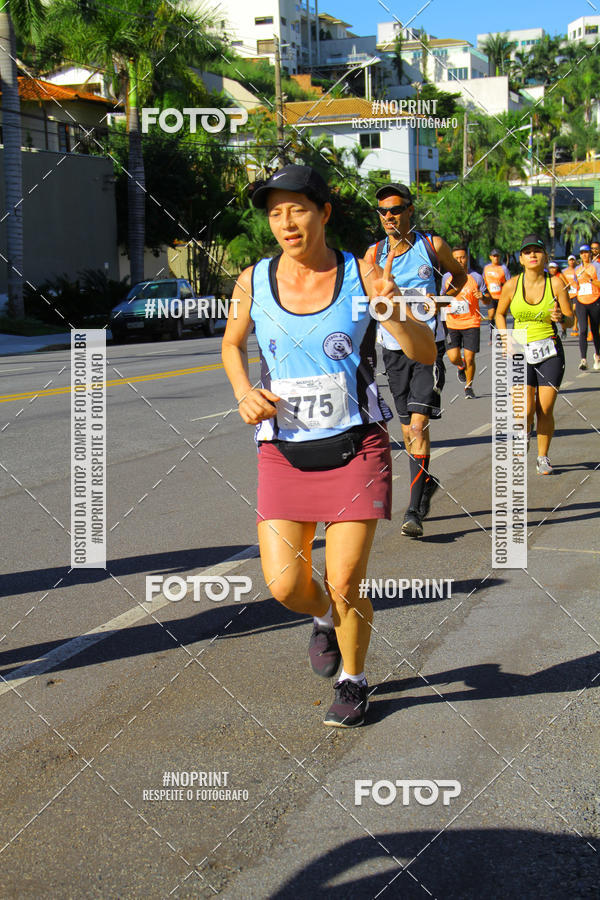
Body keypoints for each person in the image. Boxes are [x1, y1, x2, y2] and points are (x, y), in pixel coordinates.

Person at [222, 165, 435, 728]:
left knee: (344, 580)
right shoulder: (252, 280)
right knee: (287, 584)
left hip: (356, 445)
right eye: (274, 212)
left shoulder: (363, 275)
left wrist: (392, 308)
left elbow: (424, 352)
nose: (286, 222)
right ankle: (321, 618)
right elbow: (231, 344)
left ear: (324, 213)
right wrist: (244, 390)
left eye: (298, 209)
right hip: (283, 449)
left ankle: (354, 679)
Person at [364, 183, 466, 538]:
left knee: (419, 427)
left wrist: (437, 302)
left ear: (410, 210)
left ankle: (412, 512)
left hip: (427, 349)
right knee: (407, 430)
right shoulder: (373, 254)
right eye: (383, 211)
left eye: (396, 209)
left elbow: (461, 277)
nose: (389, 216)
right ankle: (425, 485)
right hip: (392, 351)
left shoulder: (431, 245)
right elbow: (368, 303)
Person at [496, 234, 573, 475]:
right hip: (519, 348)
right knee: (524, 409)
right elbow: (499, 314)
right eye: (527, 251)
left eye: (537, 251)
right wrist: (505, 337)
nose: (532, 255)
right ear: (520, 258)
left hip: (548, 348)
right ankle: (523, 431)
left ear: (545, 256)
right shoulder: (512, 285)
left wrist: (562, 319)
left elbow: (571, 320)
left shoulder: (556, 284)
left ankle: (543, 457)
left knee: (545, 408)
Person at [442, 246, 491, 398]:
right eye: (456, 258)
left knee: (470, 357)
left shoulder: (476, 277)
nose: (459, 261)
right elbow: (442, 298)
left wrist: (482, 296)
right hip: (452, 323)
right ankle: (460, 365)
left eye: (462, 257)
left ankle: (468, 387)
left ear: (467, 258)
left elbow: (488, 298)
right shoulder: (446, 277)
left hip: (471, 322)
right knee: (453, 357)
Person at [574, 244, 600, 370]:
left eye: (586, 252)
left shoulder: (596, 266)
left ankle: (597, 355)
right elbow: (575, 285)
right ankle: (583, 360)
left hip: (594, 300)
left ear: (590, 254)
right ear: (580, 255)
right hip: (581, 301)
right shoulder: (577, 269)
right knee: (583, 330)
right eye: (582, 253)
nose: (584, 255)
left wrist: (590, 280)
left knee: (595, 330)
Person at [483, 249, 511, 342]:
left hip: (501, 296)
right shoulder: (486, 268)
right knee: (491, 315)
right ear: (490, 257)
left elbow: (509, 282)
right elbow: (483, 281)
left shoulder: (503, 268)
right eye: (494, 256)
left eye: (497, 256)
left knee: (501, 316)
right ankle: (492, 334)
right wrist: (484, 292)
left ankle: (502, 336)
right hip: (490, 296)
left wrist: (502, 284)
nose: (496, 258)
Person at [547, 261, 568, 337]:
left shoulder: (560, 275)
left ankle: (564, 330)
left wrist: (561, 291)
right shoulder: (547, 277)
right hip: (550, 298)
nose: (552, 270)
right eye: (550, 268)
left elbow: (567, 286)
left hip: (559, 299)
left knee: (560, 317)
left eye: (554, 268)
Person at [562, 254, 579, 337]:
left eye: (573, 260)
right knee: (568, 311)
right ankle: (564, 328)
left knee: (575, 310)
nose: (571, 261)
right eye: (570, 260)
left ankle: (575, 327)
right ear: (568, 261)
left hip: (576, 293)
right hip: (568, 294)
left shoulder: (578, 270)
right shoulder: (564, 271)